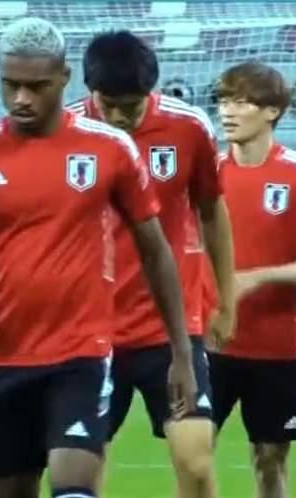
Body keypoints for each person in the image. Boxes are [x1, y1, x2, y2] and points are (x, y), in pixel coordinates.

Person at [0, 17, 197, 498]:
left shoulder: (110, 149)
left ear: (64, 78)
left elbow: (156, 252)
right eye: (11, 85)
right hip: (1, 357)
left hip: (81, 355)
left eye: (36, 86)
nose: (22, 98)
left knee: (74, 486)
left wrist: (182, 353)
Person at [74, 30, 235, 498]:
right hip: (88, 329)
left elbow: (212, 211)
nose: (119, 116)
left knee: (197, 461)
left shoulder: (188, 127)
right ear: (89, 90)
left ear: (151, 90)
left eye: (131, 106)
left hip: (170, 327)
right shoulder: (67, 132)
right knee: (80, 470)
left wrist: (226, 299)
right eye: (108, 104)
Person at [211, 61, 296, 498]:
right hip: (209, 342)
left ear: (272, 111)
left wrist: (254, 278)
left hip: (276, 345)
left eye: (241, 101)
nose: (227, 111)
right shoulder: (205, 172)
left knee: (270, 458)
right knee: (192, 453)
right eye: (224, 100)